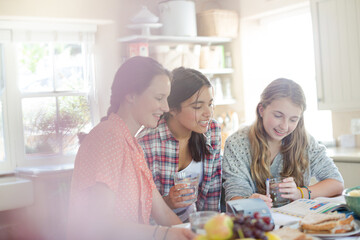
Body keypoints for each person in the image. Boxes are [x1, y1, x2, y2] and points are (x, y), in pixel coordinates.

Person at [68, 57, 195, 240]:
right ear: (130, 95)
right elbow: (101, 223)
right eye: (159, 98)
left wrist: (191, 234)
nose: (166, 107)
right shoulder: (107, 138)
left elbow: (162, 213)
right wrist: (167, 234)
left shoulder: (132, 145)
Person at [222, 78, 344, 208]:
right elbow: (235, 195)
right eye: (278, 116)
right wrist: (249, 203)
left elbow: (336, 183)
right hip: (255, 223)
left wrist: (300, 193)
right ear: (261, 110)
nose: (284, 126)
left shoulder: (306, 143)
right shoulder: (237, 143)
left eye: (293, 119)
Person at [137, 67, 222, 222]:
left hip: (197, 227)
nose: (208, 113)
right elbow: (138, 214)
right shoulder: (146, 144)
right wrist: (168, 202)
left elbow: (212, 196)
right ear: (172, 109)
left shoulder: (212, 130)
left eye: (210, 104)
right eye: (197, 106)